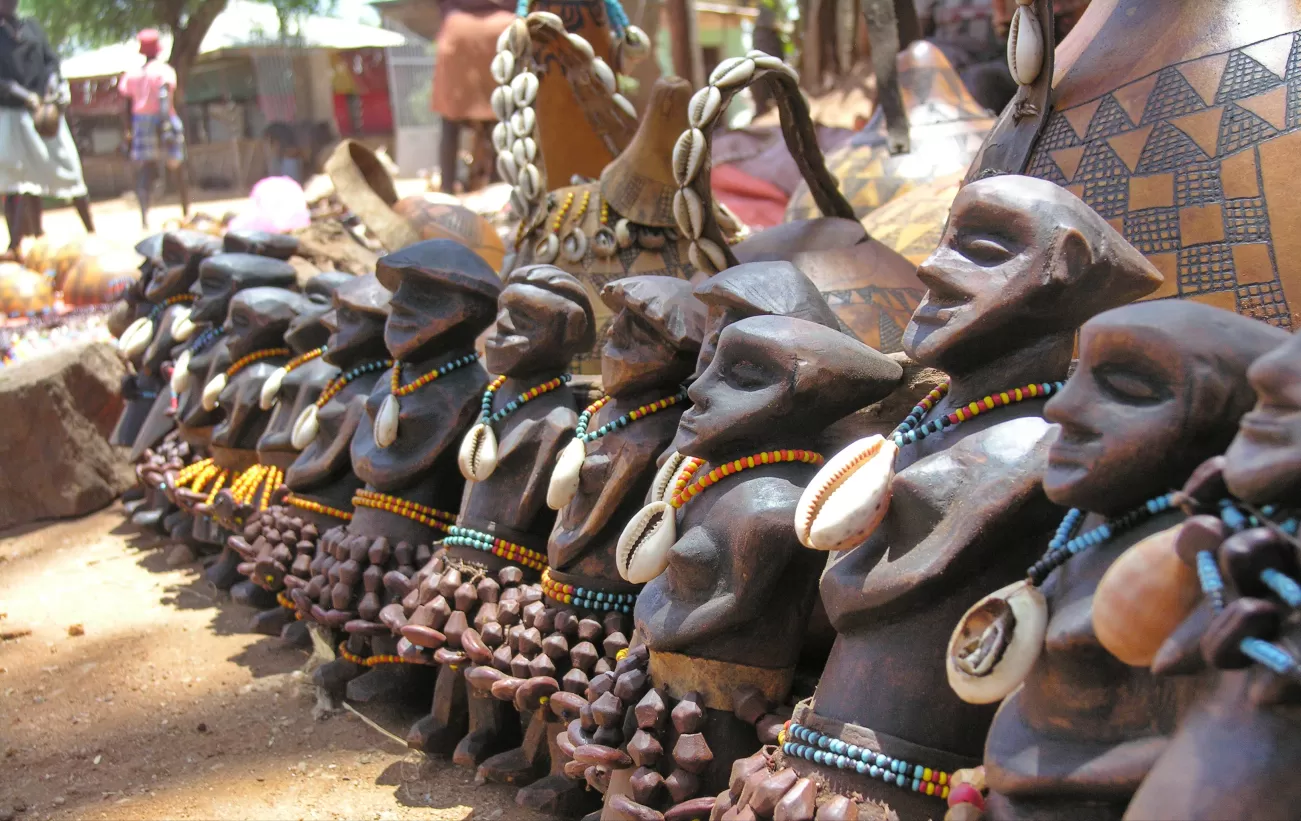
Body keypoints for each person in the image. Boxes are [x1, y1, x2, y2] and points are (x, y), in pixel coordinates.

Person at [0, 0, 94, 259]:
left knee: (69, 169)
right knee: (17, 180)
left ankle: (92, 233)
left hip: (45, 113)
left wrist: (52, 85)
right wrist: (24, 96)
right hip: (12, 115)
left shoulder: (31, 26)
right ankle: (17, 245)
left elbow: (51, 60)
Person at [430, 0, 514, 194]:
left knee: (450, 123)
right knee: (500, 120)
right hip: (500, 30)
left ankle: (447, 186)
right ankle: (499, 186)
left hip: (458, 31)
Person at [119, 29, 189, 229]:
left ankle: (144, 219)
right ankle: (186, 212)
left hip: (140, 121)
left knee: (146, 170)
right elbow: (164, 97)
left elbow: (126, 105)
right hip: (164, 117)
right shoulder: (165, 71)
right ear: (159, 50)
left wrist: (128, 130)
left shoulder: (132, 75)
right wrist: (166, 125)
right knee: (177, 164)